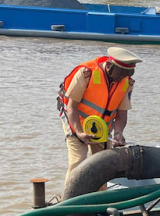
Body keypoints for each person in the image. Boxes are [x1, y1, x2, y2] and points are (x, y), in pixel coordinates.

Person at [58, 47, 142, 182]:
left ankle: (98, 198)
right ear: (109, 66)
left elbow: (121, 113)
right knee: (78, 163)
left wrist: (118, 133)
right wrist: (79, 133)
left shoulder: (126, 81)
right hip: (76, 123)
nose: (121, 79)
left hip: (101, 128)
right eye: (119, 75)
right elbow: (71, 107)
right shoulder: (86, 74)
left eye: (125, 75)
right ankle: (70, 200)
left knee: (102, 165)